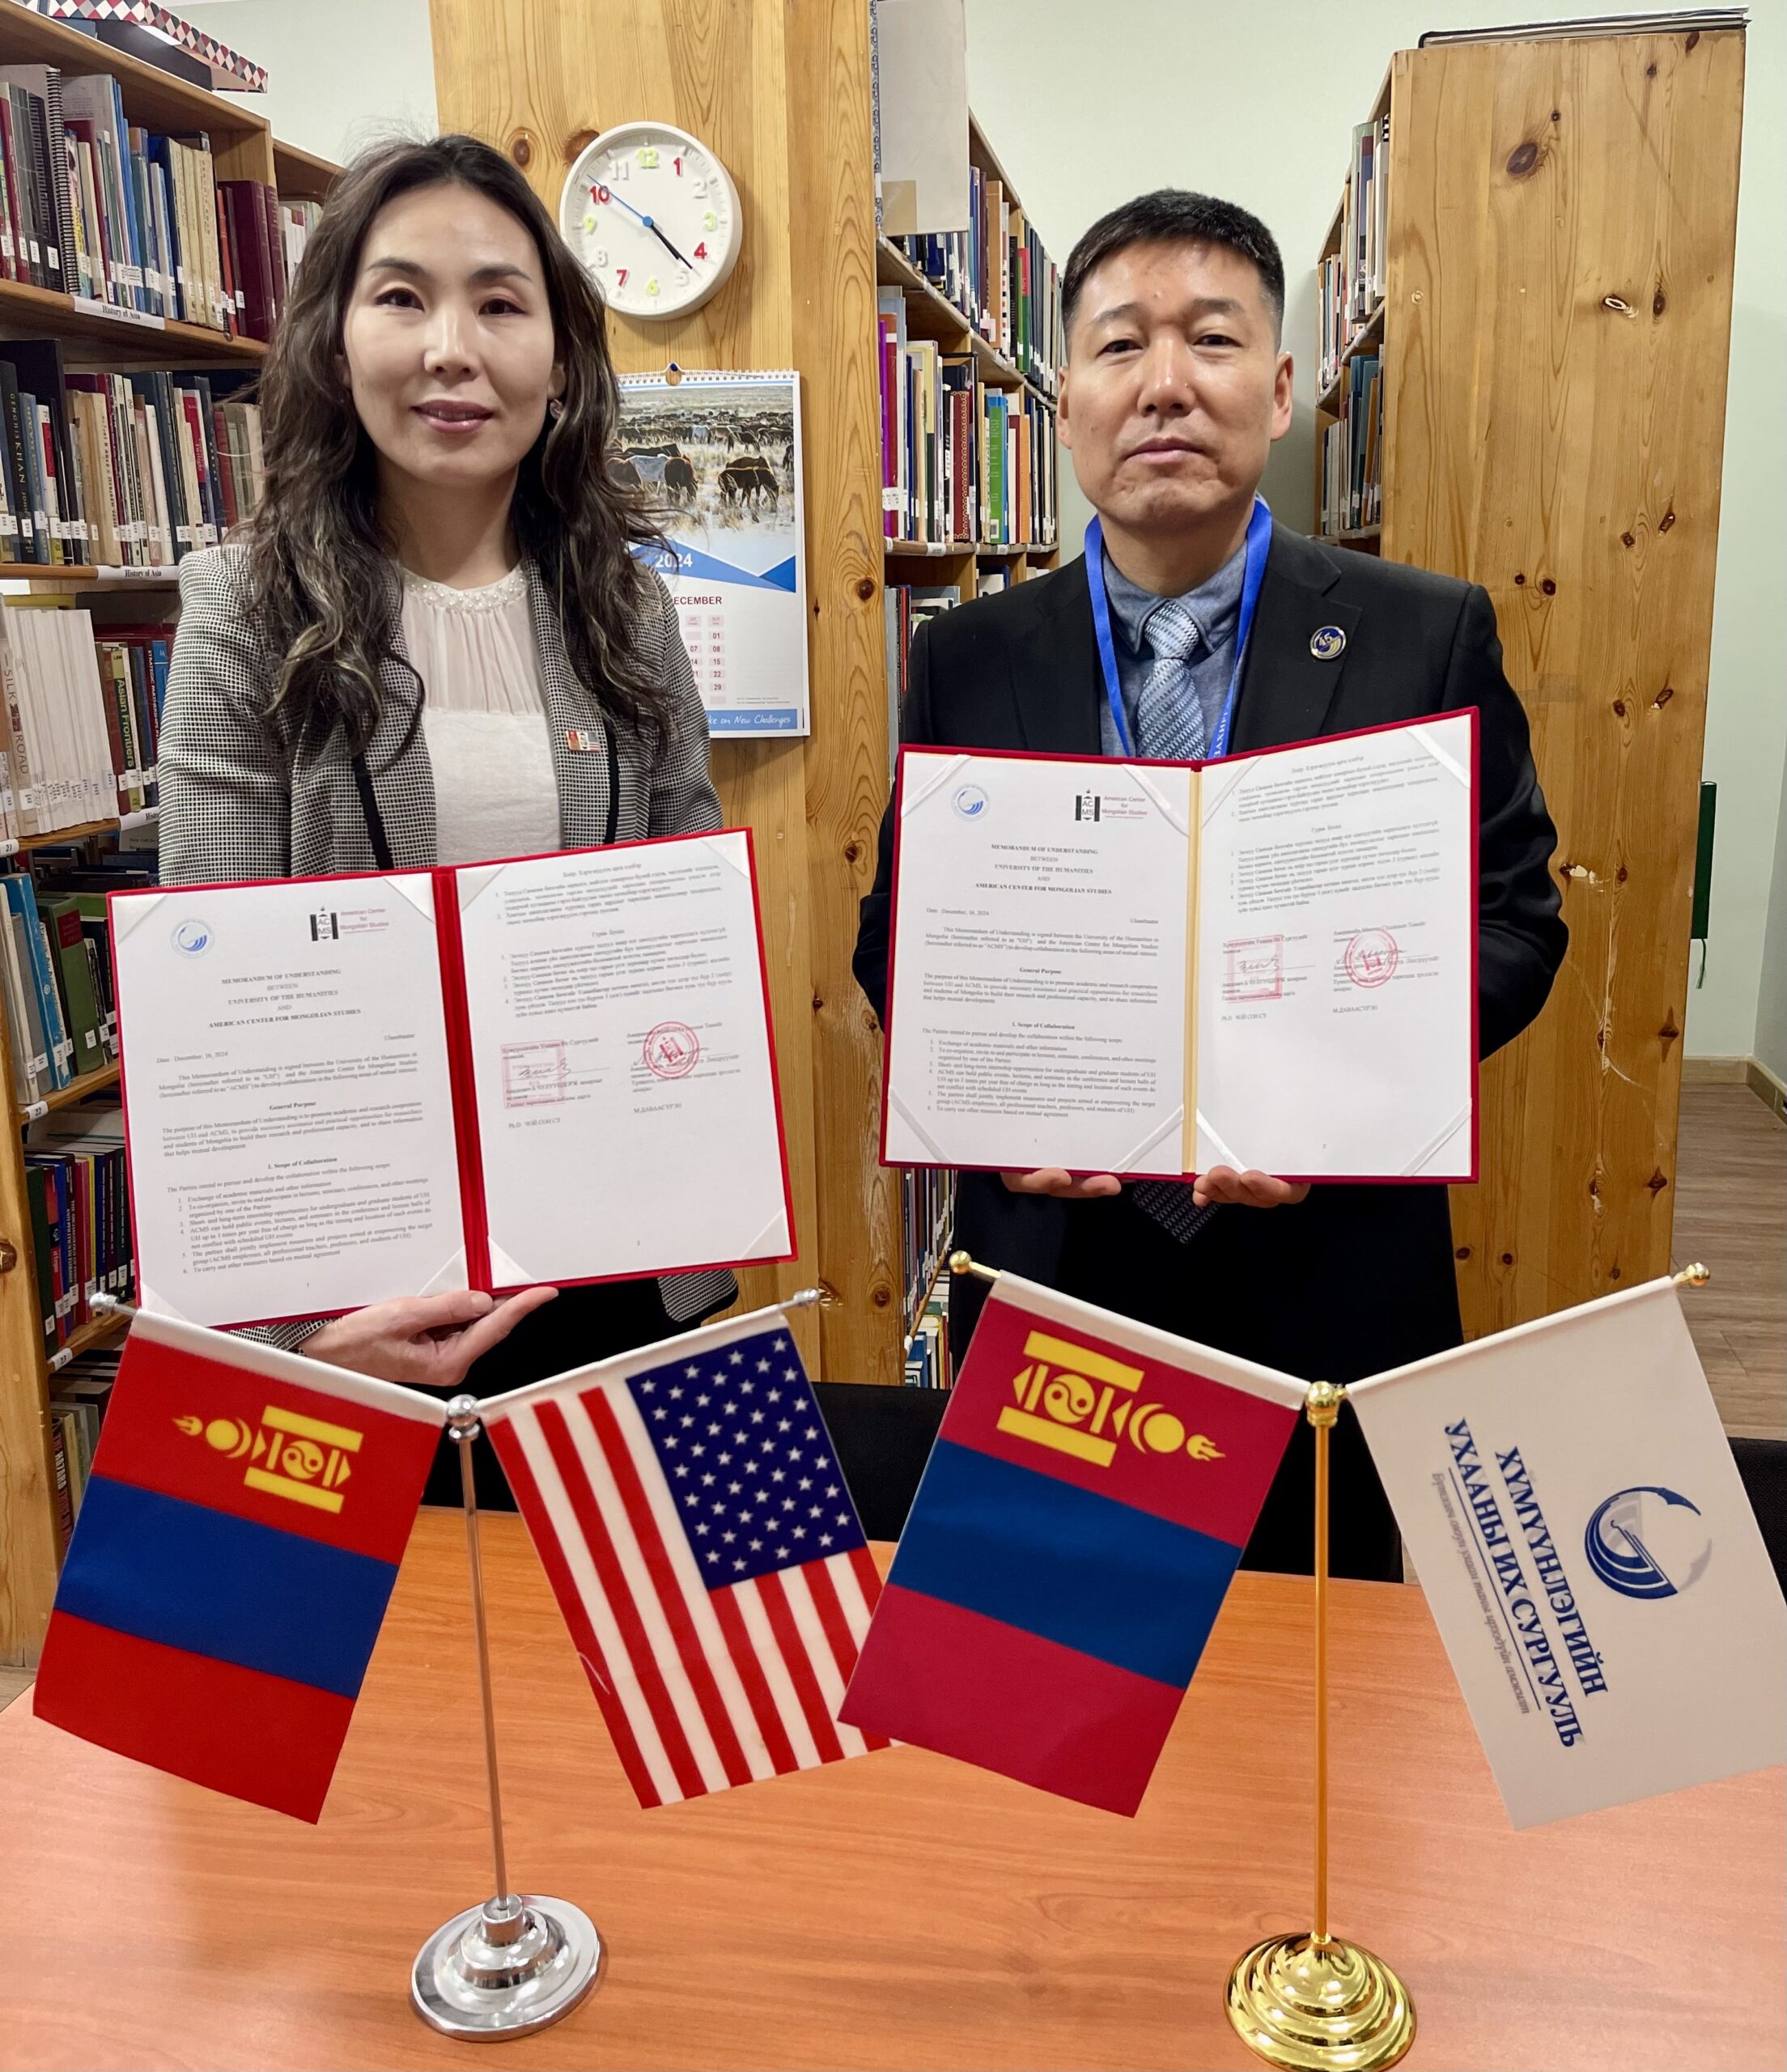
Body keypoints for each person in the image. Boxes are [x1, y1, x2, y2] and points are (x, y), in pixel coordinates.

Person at [854, 190, 1568, 1577]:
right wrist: (990, 1108)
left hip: (1332, 1275)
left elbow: (1516, 923)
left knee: (1326, 1708)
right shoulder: (970, 656)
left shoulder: (1424, 635)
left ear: (1287, 387)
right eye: (1122, 346)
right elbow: (905, 937)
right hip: (1061, 1271)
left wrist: (1347, 1094)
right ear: (1066, 401)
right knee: (1060, 1677)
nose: (1166, 384)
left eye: (1213, 340)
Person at [159, 134, 732, 1499]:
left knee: (683, 1665)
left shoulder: (629, 610)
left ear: (559, 351)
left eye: (500, 301)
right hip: (359, 1298)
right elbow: (216, 1000)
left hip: (611, 1266)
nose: (450, 350)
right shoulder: (243, 609)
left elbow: (686, 930)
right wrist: (297, 1334)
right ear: (333, 337)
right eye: (401, 296)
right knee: (388, 1695)